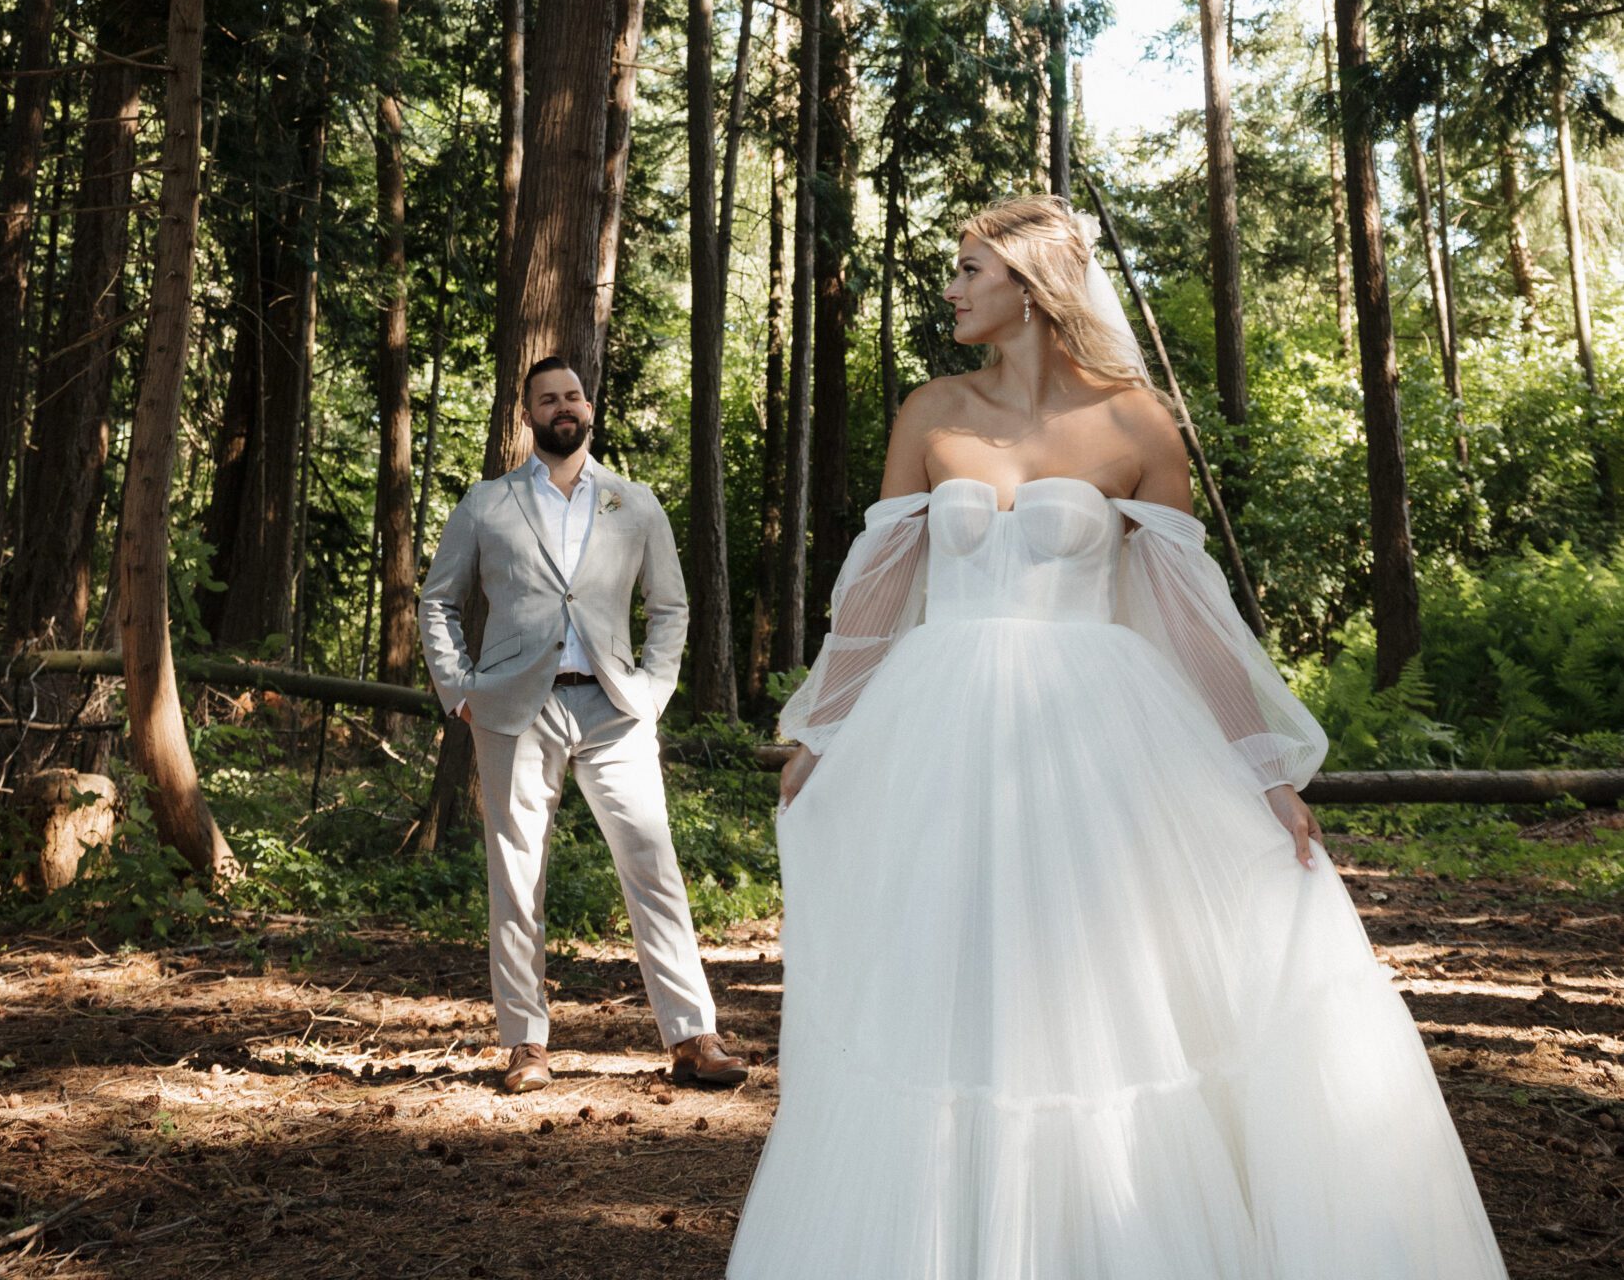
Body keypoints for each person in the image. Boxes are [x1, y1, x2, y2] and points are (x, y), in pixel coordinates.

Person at [728, 194, 1507, 1280]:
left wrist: (1263, 770)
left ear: (1035, 285)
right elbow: (877, 590)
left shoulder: (1138, 421)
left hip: (1093, 735)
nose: (950, 287)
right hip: (937, 728)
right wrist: (817, 731)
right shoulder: (930, 411)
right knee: (945, 976)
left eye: (969, 269)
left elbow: (1191, 611)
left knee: (1096, 986)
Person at [419, 357, 746, 1095]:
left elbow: (671, 607)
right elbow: (438, 601)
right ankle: (525, 1043)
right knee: (516, 873)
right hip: (513, 708)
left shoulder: (634, 503)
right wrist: (459, 689)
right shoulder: (486, 503)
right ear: (526, 414)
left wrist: (655, 689)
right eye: (546, 399)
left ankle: (694, 1034)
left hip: (614, 708)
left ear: (589, 406)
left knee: (652, 866)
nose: (562, 407)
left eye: (572, 395)